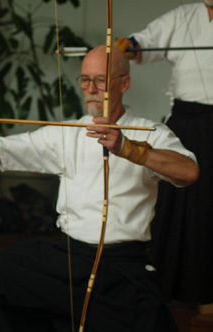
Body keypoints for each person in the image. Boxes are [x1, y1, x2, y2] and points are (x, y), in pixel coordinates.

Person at [0, 46, 199, 331]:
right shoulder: (67, 132)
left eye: (100, 80)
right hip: (70, 258)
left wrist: (127, 147)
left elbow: (188, 171)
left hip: (123, 266)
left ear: (124, 83)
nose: (90, 88)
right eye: (85, 80)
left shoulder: (149, 132)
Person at [115, 1, 213, 308]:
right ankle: (175, 290)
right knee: (181, 207)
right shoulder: (184, 15)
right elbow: (143, 43)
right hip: (188, 123)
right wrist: (129, 46)